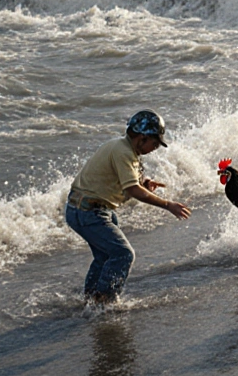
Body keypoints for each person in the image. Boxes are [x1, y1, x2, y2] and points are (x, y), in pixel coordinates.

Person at [65, 110, 191, 303]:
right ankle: (105, 301)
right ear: (142, 138)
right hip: (87, 211)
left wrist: (145, 183)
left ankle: (91, 299)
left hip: (90, 209)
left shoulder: (123, 148)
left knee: (105, 257)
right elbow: (133, 190)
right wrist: (168, 205)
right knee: (123, 254)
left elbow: (132, 182)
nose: (155, 148)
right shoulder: (123, 152)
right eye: (155, 143)